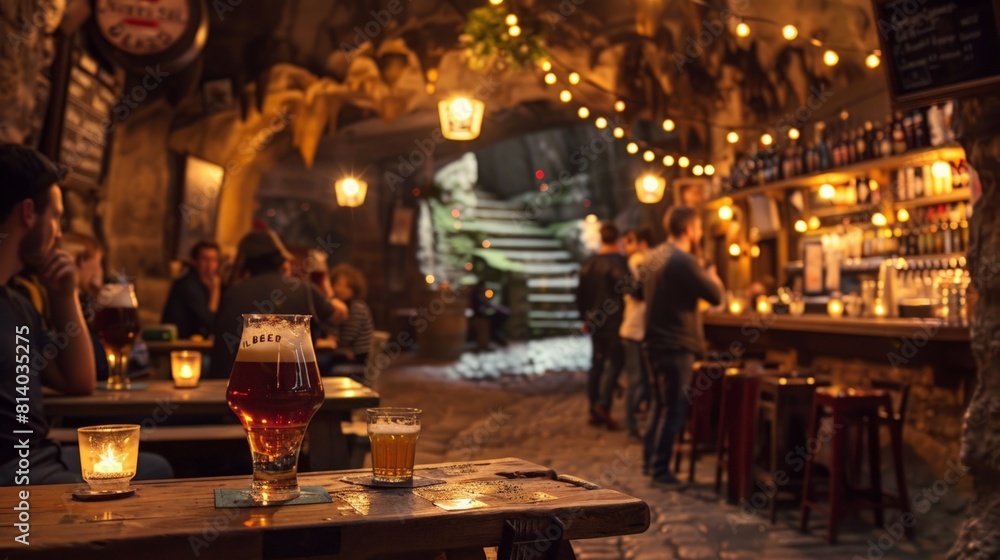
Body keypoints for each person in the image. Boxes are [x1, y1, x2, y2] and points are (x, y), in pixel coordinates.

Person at [0, 143, 171, 484]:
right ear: (29, 213)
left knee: (154, 467)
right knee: (153, 477)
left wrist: (64, 297)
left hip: (41, 456)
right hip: (16, 474)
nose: (60, 233)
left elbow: (78, 382)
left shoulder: (16, 304)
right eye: (58, 217)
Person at [643, 206, 723, 488]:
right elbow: (715, 295)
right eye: (699, 226)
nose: (700, 232)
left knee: (659, 404)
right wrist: (710, 272)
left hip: (653, 340)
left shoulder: (654, 256)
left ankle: (649, 460)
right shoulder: (683, 260)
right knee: (674, 408)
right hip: (675, 342)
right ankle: (660, 470)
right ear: (689, 227)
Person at [209, 229, 347, 378]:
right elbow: (341, 314)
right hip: (293, 385)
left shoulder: (232, 293)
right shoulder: (303, 289)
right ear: (281, 258)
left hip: (237, 386)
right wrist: (325, 285)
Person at [575, 222, 629, 430]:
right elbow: (626, 286)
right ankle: (603, 405)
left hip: (595, 322)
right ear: (617, 240)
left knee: (597, 363)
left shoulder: (589, 263)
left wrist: (584, 319)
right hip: (614, 321)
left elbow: (580, 295)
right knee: (615, 362)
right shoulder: (617, 262)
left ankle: (593, 408)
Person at [619, 226, 653, 440]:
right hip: (634, 331)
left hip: (638, 331)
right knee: (638, 380)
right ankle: (632, 425)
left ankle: (638, 422)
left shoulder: (641, 263)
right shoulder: (638, 262)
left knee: (644, 381)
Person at [161, 240, 221, 339]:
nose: (210, 265)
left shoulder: (206, 284)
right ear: (194, 262)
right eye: (205, 259)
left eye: (213, 260)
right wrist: (216, 290)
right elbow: (209, 323)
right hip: (177, 345)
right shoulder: (188, 285)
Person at [329, 263, 374, 367]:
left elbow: (346, 339)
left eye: (348, 286)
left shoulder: (357, 307)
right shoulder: (340, 306)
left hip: (357, 358)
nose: (341, 289)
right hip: (345, 354)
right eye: (338, 284)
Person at [469, 279, 509, 347]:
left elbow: (485, 304)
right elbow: (482, 305)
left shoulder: (479, 293)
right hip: (479, 316)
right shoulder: (477, 294)